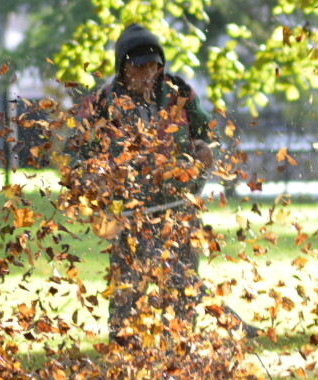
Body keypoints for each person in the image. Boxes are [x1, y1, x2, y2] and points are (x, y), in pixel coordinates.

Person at [67, 24, 255, 343]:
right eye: (140, 67)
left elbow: (208, 134)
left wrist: (205, 150)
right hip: (130, 216)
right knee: (128, 292)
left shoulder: (179, 94)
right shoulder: (100, 104)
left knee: (184, 288)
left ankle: (178, 353)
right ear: (123, 67)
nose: (148, 73)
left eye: (154, 65)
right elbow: (74, 158)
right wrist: (92, 177)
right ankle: (124, 354)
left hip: (179, 209)